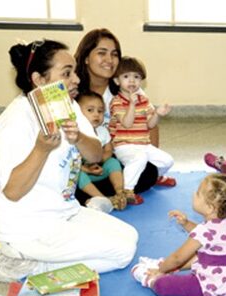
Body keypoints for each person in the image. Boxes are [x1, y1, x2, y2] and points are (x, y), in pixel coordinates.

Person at [0, 39, 137, 281]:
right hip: (26, 228)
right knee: (122, 252)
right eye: (67, 73)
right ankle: (24, 265)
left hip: (64, 212)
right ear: (39, 79)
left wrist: (78, 137)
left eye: (75, 72)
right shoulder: (14, 123)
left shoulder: (65, 105)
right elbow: (13, 191)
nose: (76, 79)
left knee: (130, 235)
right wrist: (40, 150)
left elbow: (96, 155)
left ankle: (38, 258)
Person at [131, 174, 226, 296]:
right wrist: (186, 223)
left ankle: (151, 277)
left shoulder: (204, 231)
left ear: (210, 208)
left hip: (213, 286)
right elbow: (208, 237)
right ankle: (167, 267)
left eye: (198, 193)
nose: (194, 194)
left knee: (163, 285)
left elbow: (177, 258)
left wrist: (159, 271)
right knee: (197, 256)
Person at [74, 28, 161, 194]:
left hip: (115, 156)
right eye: (102, 53)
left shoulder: (129, 90)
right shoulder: (74, 89)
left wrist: (151, 156)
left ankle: (100, 193)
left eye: (114, 54)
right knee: (66, 177)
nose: (109, 60)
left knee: (149, 172)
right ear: (86, 58)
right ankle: (96, 191)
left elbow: (151, 125)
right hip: (80, 159)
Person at [109, 56, 175, 205]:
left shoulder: (143, 100)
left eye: (136, 77)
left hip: (143, 144)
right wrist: (131, 105)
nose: (132, 81)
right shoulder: (116, 101)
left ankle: (156, 177)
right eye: (126, 76)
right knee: (139, 158)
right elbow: (127, 123)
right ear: (117, 81)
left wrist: (158, 114)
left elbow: (150, 125)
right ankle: (127, 191)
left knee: (167, 160)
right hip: (124, 145)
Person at [75, 91, 127, 211]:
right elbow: (71, 163)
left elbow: (108, 150)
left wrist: (102, 159)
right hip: (83, 173)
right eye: (90, 110)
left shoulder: (102, 131)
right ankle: (102, 198)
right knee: (77, 175)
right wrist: (87, 169)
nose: (96, 115)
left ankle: (120, 192)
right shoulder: (75, 134)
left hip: (100, 170)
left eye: (100, 111)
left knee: (113, 162)